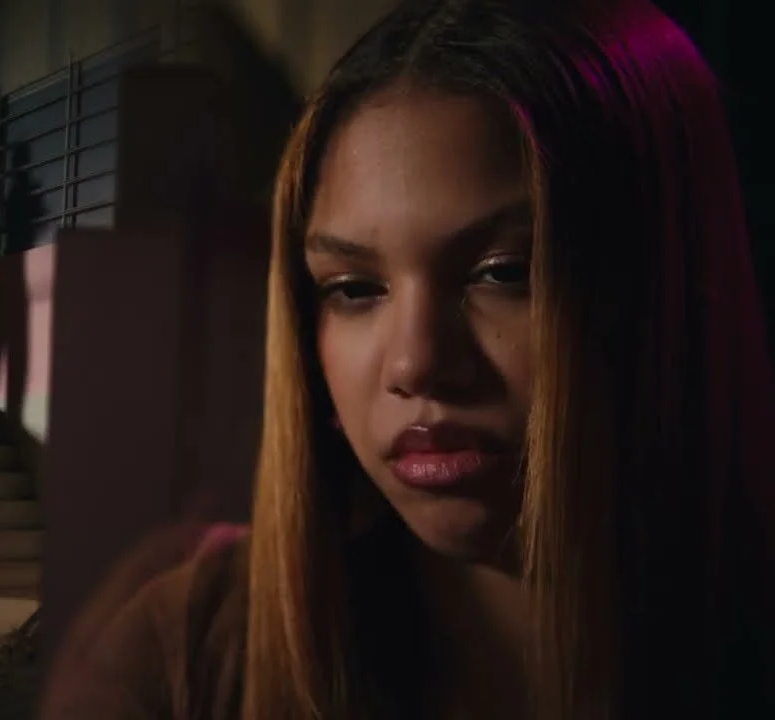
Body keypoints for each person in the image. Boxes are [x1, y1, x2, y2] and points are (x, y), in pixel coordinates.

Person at [40, 0, 775, 718]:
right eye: (354, 289)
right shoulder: (189, 651)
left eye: (503, 272)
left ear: (666, 279)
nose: (415, 364)